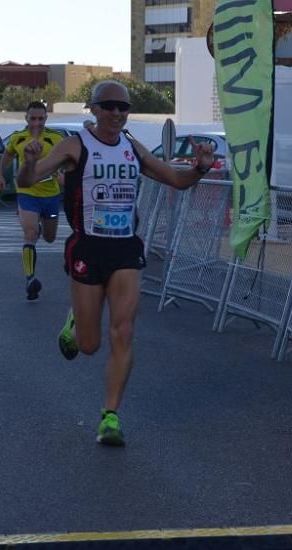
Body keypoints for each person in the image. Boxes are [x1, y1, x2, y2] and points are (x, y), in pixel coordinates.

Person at [14, 80, 215, 446]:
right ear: (93, 109)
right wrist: (28, 163)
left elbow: (175, 179)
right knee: (89, 346)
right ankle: (76, 322)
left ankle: (110, 416)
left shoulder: (133, 149)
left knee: (122, 331)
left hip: (124, 249)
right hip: (87, 248)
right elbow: (28, 180)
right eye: (109, 106)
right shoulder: (75, 146)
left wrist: (200, 168)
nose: (117, 113)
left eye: (124, 107)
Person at [0, 101, 66, 301]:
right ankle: (30, 279)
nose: (36, 123)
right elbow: (7, 155)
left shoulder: (55, 139)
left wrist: (62, 174)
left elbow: (66, 161)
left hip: (51, 196)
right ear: (26, 119)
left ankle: (41, 227)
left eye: (40, 119)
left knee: (50, 237)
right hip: (27, 193)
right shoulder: (18, 138)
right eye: (33, 118)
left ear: (46, 119)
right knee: (30, 233)